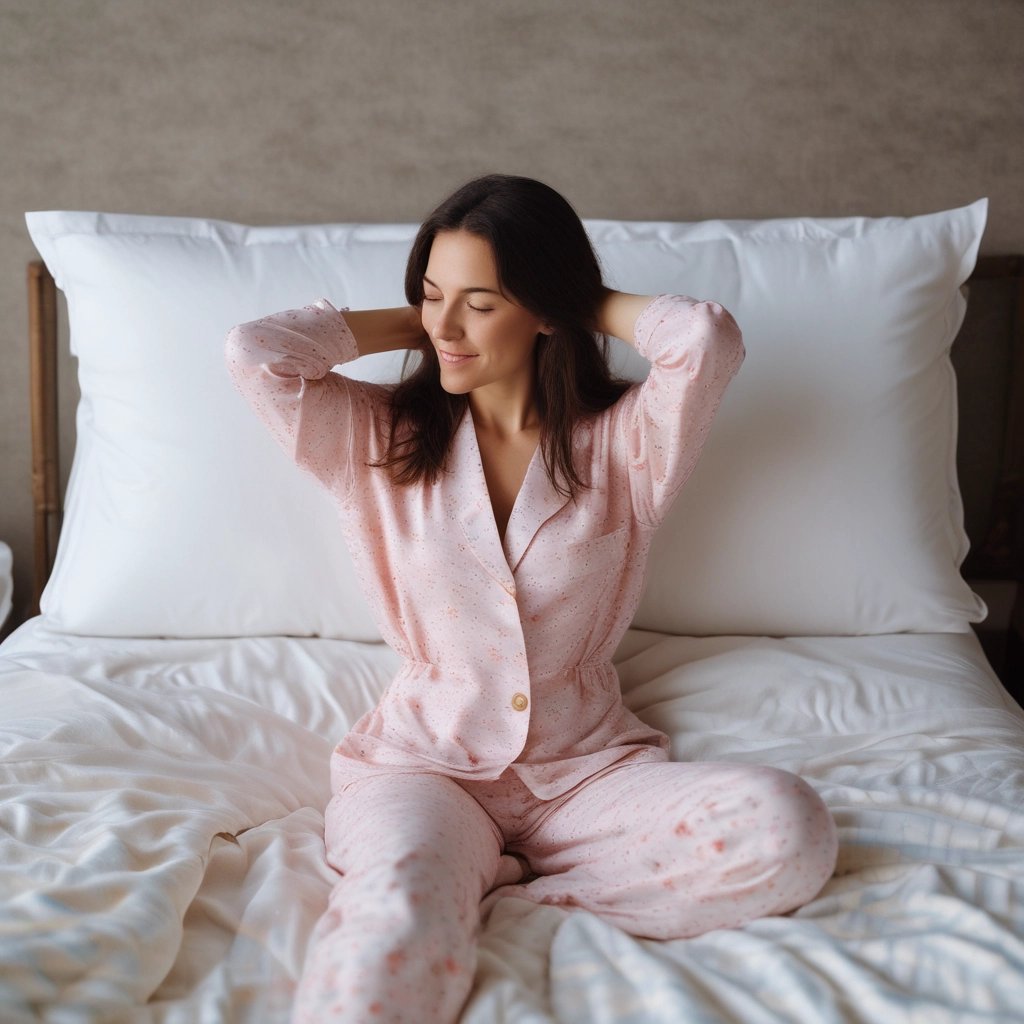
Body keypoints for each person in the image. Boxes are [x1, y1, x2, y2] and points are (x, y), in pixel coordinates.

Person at [225, 174, 838, 1023]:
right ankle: (446, 893)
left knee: (789, 830)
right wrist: (434, 320)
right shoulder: (373, 437)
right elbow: (257, 352)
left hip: (588, 774)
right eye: (432, 295)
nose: (444, 323)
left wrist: (572, 299)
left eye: (481, 302)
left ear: (546, 311)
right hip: (425, 765)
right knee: (386, 934)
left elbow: (703, 339)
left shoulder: (626, 444)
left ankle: (504, 901)